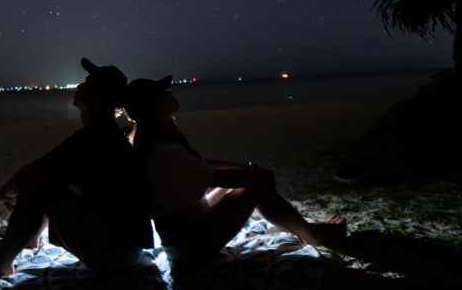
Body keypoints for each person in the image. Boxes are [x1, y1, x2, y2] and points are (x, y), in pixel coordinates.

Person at [0, 58, 153, 284]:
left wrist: (8, 192)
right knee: (52, 180)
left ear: (99, 97)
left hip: (112, 255)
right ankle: (31, 239)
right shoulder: (109, 136)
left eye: (87, 82)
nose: (79, 86)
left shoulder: (94, 137)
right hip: (127, 250)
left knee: (37, 184)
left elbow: (32, 174)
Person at [123, 75, 346, 267]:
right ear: (153, 106)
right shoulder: (161, 150)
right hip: (189, 245)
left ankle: (301, 226)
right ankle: (311, 234)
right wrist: (260, 176)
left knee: (254, 178)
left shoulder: (160, 141)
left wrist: (248, 168)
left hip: (187, 229)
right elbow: (221, 178)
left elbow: (205, 162)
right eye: (163, 93)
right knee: (258, 186)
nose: (170, 94)